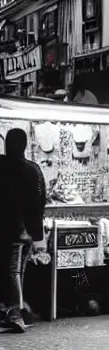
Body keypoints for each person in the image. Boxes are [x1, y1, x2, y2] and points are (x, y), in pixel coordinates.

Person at [0, 128, 46, 333]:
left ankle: (15, 313)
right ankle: (14, 309)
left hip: (12, 230)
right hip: (26, 230)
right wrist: (36, 231)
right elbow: (40, 201)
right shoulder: (33, 169)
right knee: (18, 272)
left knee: (11, 271)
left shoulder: (3, 166)